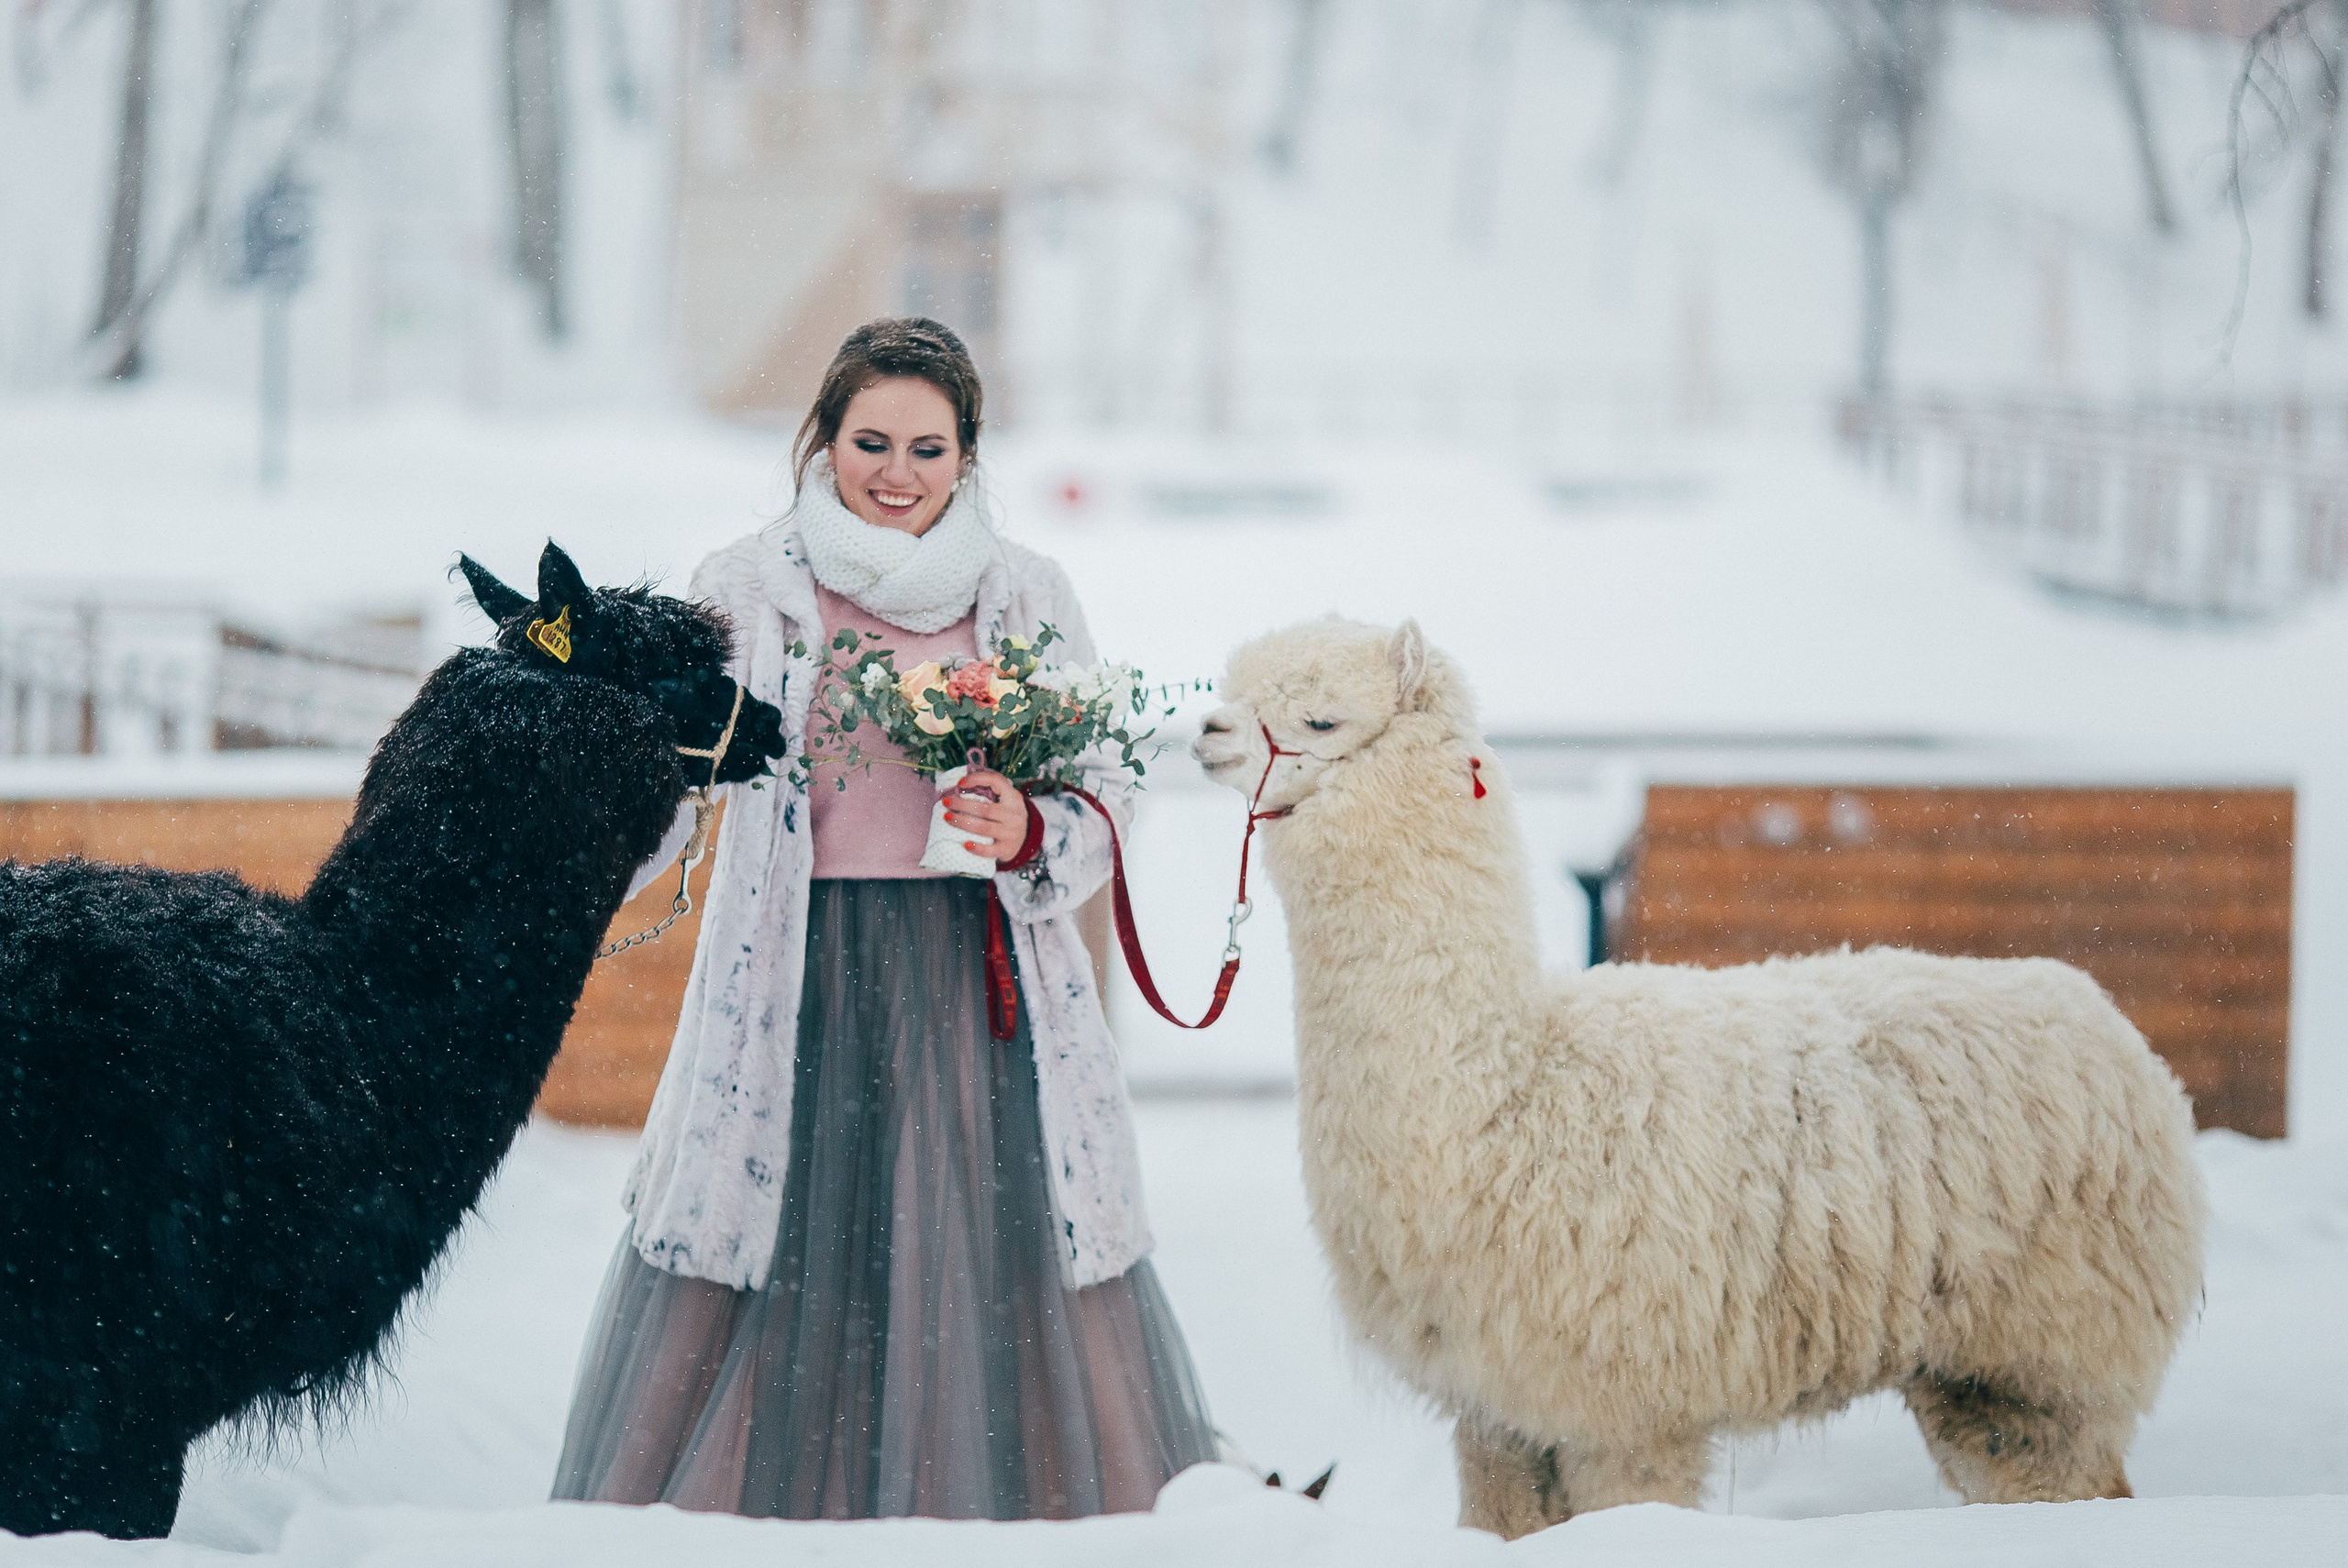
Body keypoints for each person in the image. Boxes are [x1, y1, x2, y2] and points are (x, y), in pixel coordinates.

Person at [548, 317, 1218, 1520]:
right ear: (823, 437)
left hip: (978, 985)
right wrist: (555, 871)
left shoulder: (1027, 592)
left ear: (968, 456)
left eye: (927, 446)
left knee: (978, 1245)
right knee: (780, 1240)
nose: (896, 472)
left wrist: (1028, 823)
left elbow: (1112, 787)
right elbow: (667, 770)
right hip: (790, 980)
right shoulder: (746, 589)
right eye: (872, 441)